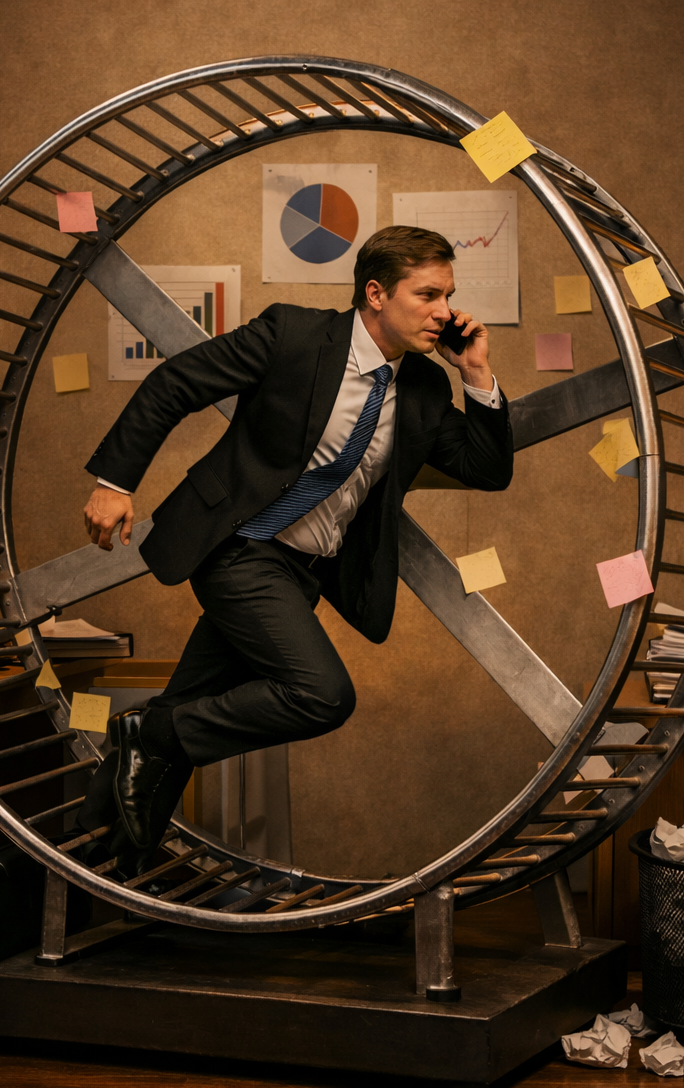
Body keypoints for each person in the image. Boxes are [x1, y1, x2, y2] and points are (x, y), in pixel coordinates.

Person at [77, 226, 513, 872]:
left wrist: (475, 373)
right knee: (322, 694)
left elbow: (487, 468)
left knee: (179, 719)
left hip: (301, 574)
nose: (445, 312)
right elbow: (178, 382)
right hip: (239, 547)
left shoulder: (422, 388)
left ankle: (97, 864)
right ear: (376, 294)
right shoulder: (295, 335)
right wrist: (114, 482)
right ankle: (152, 734)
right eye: (428, 295)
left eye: (448, 296)